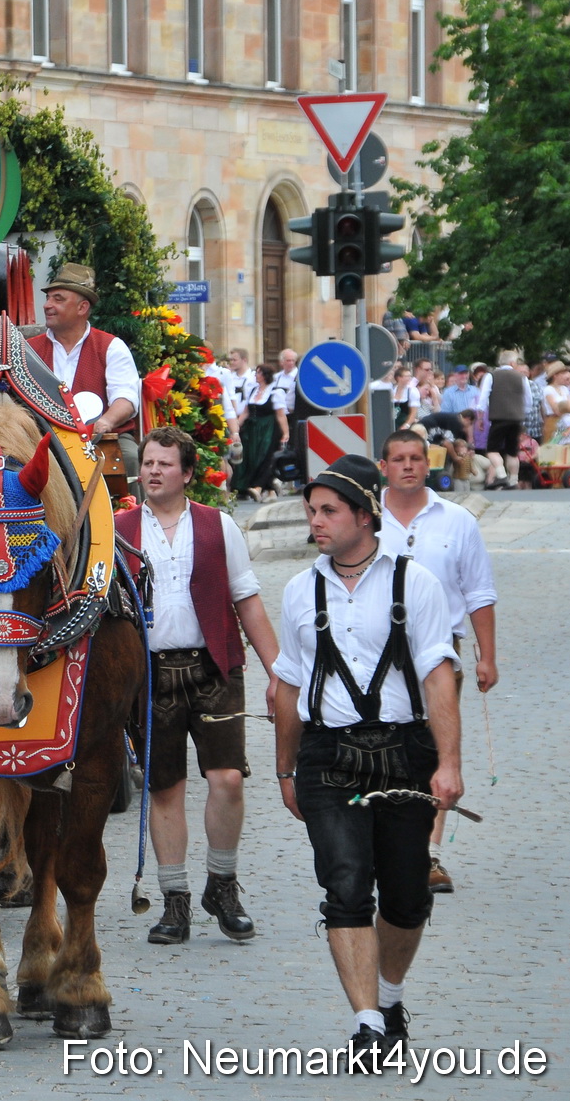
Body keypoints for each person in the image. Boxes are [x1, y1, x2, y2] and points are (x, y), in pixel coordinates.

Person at [272, 455, 460, 1057]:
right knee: (347, 884)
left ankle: (389, 994)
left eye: (329, 511)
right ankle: (367, 1024)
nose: (316, 522)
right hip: (329, 755)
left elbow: (437, 679)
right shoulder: (301, 590)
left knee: (407, 895)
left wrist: (449, 763)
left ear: (363, 515)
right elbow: (287, 690)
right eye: (311, 511)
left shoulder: (416, 583)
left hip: (405, 750)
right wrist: (285, 767)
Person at [117, 429, 281, 945]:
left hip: (215, 668)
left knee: (228, 779)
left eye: (165, 464)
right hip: (150, 676)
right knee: (165, 787)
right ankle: (175, 900)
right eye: (147, 463)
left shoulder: (219, 525)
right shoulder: (117, 530)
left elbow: (246, 600)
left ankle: (223, 884)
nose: (154, 471)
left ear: (187, 473)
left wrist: (280, 673)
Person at [378, 430, 497, 897]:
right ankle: (382, 843)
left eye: (416, 458)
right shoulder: (366, 520)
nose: (408, 466)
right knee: (383, 743)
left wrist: (488, 655)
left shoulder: (457, 521)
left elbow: (479, 591)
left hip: (440, 654)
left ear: (427, 465)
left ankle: (428, 854)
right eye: (398, 459)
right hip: (377, 653)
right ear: (383, 466)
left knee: (434, 749)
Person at [26, 262, 142, 490]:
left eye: (58, 299)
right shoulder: (28, 350)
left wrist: (105, 422)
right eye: (48, 298)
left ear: (82, 308)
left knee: (128, 457)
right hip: (41, 438)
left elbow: (126, 399)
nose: (47, 305)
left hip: (101, 438)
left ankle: (128, 521)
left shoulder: (111, 347)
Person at [233, 363, 283, 500]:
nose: (255, 375)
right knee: (251, 458)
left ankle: (259, 487)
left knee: (265, 457)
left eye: (258, 373)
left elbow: (280, 415)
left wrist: (286, 433)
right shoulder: (253, 390)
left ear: (265, 375)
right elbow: (245, 412)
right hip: (252, 429)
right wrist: (235, 429)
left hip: (269, 428)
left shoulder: (275, 391)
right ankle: (271, 488)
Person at [484, 353, 528, 489]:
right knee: (512, 451)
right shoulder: (521, 378)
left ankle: (501, 475)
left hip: (499, 418)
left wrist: (481, 415)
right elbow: (528, 399)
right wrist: (522, 414)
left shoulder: (491, 376)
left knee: (492, 449)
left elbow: (483, 397)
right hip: (516, 418)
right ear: (512, 363)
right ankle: (514, 480)